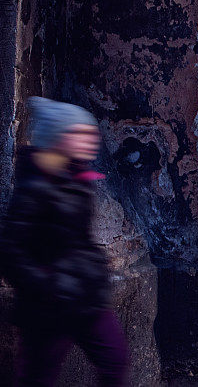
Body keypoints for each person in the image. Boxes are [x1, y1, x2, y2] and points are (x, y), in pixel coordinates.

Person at [0, 97, 128, 386]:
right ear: (58, 137)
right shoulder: (33, 186)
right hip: (49, 307)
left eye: (90, 132)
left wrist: (93, 268)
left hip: (86, 295)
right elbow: (10, 251)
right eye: (79, 133)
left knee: (115, 361)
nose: (90, 139)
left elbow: (77, 238)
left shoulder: (77, 176)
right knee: (38, 378)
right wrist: (49, 286)